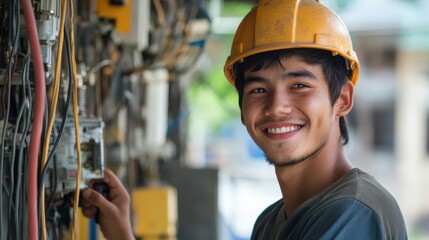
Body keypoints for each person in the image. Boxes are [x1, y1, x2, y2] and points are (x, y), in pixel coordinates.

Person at [81, 0, 408, 239]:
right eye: (258, 89)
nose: (277, 106)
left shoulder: (352, 215)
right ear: (242, 110)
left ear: (343, 99)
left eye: (299, 85)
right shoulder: (270, 223)